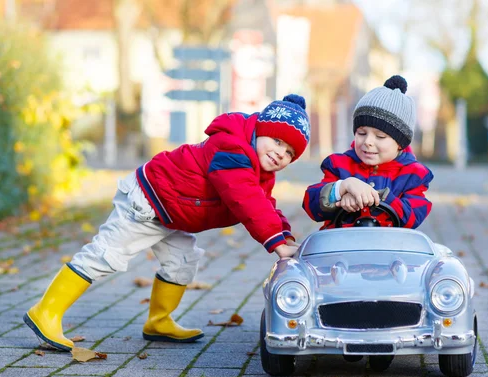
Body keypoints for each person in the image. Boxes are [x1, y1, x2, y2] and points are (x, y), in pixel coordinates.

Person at [24, 94, 311, 351]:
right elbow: (245, 199)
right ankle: (46, 312)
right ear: (261, 130)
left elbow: (264, 203)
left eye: (289, 153)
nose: (280, 154)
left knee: (183, 261)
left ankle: (159, 321)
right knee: (106, 255)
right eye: (277, 141)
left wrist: (284, 234)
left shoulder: (258, 168)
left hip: (171, 213)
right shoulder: (232, 149)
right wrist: (275, 243)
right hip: (147, 202)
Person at [303, 75, 433, 229]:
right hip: (341, 246)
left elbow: (413, 217)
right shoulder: (339, 166)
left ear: (400, 143)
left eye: (380, 136)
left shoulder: (413, 175)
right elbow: (311, 205)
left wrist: (378, 196)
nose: (367, 142)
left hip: (388, 247)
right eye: (361, 133)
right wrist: (343, 187)